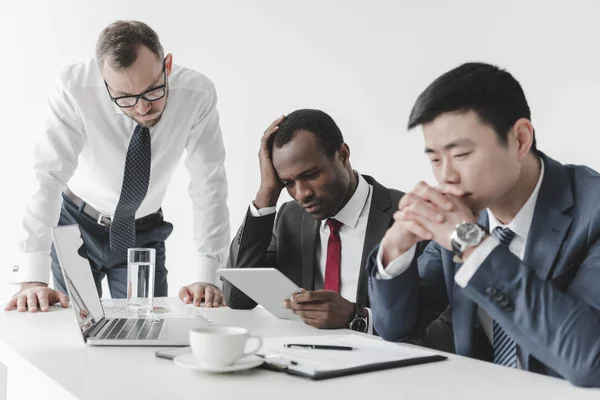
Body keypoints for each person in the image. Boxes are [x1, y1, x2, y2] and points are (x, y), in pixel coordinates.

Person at [367, 62, 600, 387]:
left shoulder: (593, 210)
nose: (446, 176)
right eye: (434, 159)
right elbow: (399, 330)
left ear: (520, 139)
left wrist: (472, 243)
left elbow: (590, 360)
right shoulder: (467, 210)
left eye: (460, 154)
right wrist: (395, 247)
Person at [5, 20, 230, 313]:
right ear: (103, 79)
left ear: (168, 66)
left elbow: (209, 182)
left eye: (153, 90)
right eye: (124, 97)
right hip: (77, 224)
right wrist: (31, 277)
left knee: (147, 330)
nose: (142, 108)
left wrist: (208, 276)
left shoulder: (197, 94)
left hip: (144, 231)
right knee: (76, 331)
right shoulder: (75, 87)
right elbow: (46, 174)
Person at [223, 109, 408, 333]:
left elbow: (440, 327)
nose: (301, 194)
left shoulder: (407, 215)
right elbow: (237, 296)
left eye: (310, 175)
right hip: (305, 358)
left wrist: (358, 317)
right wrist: (267, 192)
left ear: (343, 155)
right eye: (288, 183)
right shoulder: (289, 218)